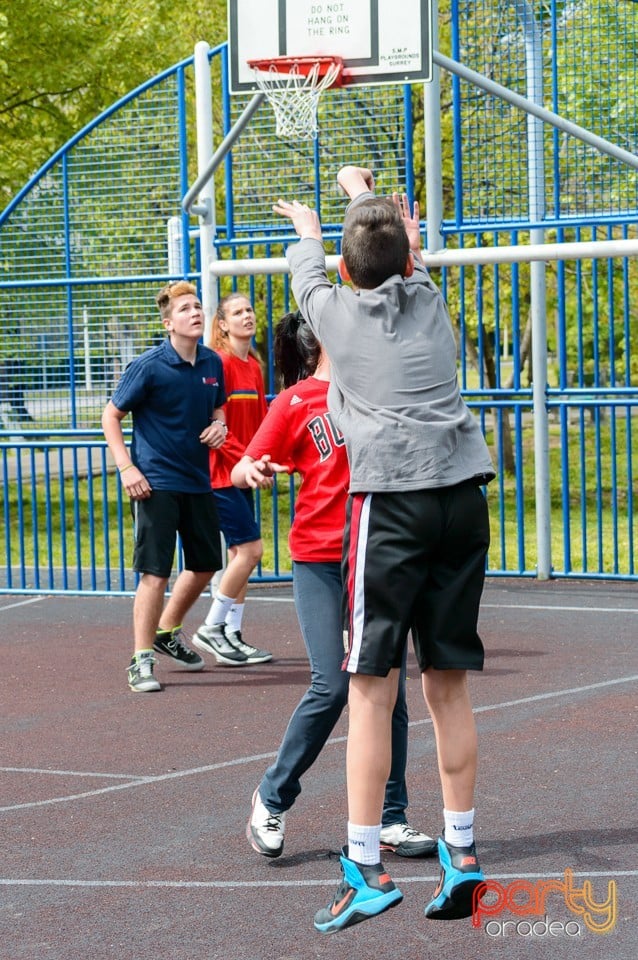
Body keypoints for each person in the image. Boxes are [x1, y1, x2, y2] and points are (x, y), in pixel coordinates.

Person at [273, 165, 495, 933]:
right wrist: (364, 196)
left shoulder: (331, 312)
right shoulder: (430, 302)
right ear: (409, 260)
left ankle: (364, 868)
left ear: (342, 268)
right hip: (464, 499)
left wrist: (317, 219)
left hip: (392, 505)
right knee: (448, 687)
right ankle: (462, 853)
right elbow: (402, 248)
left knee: (369, 688)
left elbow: (312, 260)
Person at [232, 311, 436, 862]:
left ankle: (390, 816)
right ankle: (271, 797)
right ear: (326, 339)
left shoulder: (376, 391)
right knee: (333, 684)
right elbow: (242, 464)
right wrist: (250, 470)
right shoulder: (295, 401)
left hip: (374, 560)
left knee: (386, 690)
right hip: (320, 562)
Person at [101, 281, 227, 693]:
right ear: (168, 323)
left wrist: (220, 424)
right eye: (186, 309)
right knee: (154, 573)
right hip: (155, 483)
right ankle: (141, 659)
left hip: (197, 480)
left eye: (198, 307)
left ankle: (166, 630)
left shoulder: (211, 363)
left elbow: (219, 406)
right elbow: (111, 416)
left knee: (207, 564)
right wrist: (126, 468)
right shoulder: (149, 365)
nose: (195, 313)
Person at [191, 293, 272, 667]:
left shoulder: (253, 365)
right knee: (251, 551)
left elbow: (262, 420)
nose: (247, 316)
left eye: (249, 310)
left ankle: (233, 634)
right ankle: (211, 626)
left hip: (246, 468)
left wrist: (265, 459)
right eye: (238, 312)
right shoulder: (219, 363)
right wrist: (246, 459)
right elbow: (211, 423)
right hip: (220, 473)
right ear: (222, 324)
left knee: (241, 554)